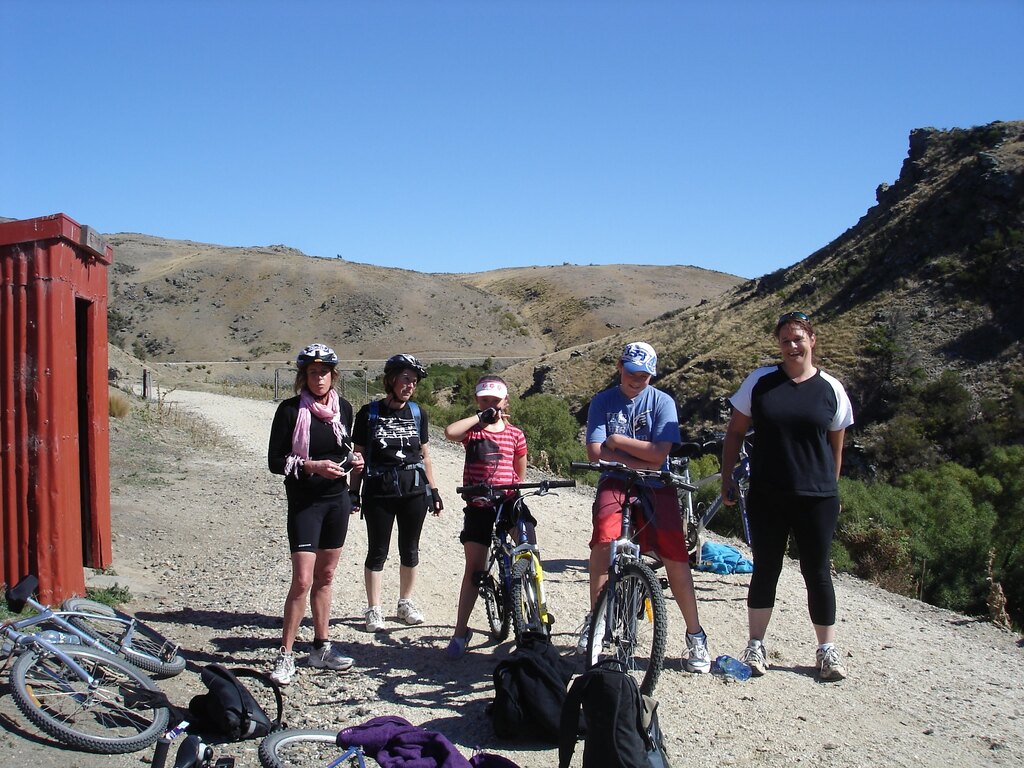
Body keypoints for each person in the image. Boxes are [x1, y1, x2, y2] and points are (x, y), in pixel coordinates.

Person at [722, 311, 854, 681]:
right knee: (766, 569)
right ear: (778, 346)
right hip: (768, 494)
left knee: (817, 572)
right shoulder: (760, 382)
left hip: (817, 497)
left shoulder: (832, 388)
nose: (792, 346)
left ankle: (826, 651)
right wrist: (728, 477)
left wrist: (832, 487)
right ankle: (755, 646)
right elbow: (734, 432)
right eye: (785, 341)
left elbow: (836, 446)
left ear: (812, 340)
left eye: (798, 338)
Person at [581, 342, 712, 673]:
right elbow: (595, 453)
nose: (636, 380)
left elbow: (658, 454)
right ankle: (596, 620)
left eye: (644, 375)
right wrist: (631, 455)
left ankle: (695, 635)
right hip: (614, 481)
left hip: (657, 483)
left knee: (674, 555)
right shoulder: (602, 401)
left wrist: (617, 441)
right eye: (631, 372)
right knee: (604, 541)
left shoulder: (662, 402)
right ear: (619, 366)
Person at [267, 343, 363, 685]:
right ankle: (285, 654)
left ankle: (321, 647)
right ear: (302, 376)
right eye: (312, 372)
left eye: (324, 372)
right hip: (306, 503)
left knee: (325, 577)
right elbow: (275, 462)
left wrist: (354, 461)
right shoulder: (290, 410)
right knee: (303, 580)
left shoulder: (344, 409)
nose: (319, 378)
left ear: (333, 375)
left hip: (337, 501)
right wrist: (310, 466)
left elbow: (345, 449)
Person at [351, 354, 443, 634]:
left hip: (414, 491)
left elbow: (425, 455)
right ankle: (373, 608)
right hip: (379, 491)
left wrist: (434, 490)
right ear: (391, 379)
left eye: (414, 382)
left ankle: (405, 603)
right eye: (406, 379)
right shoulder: (369, 413)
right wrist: (353, 493)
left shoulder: (417, 413)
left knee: (410, 549)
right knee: (377, 550)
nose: (410, 386)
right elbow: (359, 455)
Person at [443, 375, 528, 658]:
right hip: (479, 504)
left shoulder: (515, 434)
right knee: (474, 568)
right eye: (485, 400)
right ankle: (460, 632)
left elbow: (520, 471)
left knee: (528, 544)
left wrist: (516, 496)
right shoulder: (474, 431)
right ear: (478, 402)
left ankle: (529, 600)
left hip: (507, 500)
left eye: (496, 400)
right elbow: (450, 432)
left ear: (506, 401)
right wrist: (479, 417)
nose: (492, 405)